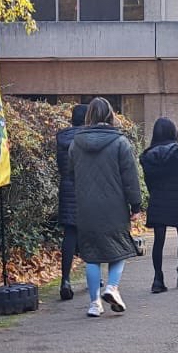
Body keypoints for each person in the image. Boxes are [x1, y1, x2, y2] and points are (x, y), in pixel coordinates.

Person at [70, 97, 142, 318]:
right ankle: (112, 287)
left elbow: (71, 174)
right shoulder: (120, 143)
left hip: (86, 206)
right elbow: (130, 177)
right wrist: (136, 204)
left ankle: (94, 304)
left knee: (91, 256)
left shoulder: (75, 143)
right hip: (114, 204)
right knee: (119, 248)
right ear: (111, 115)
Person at [139, 118, 178, 293]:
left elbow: (148, 182)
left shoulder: (148, 156)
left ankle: (158, 278)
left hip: (158, 199)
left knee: (159, 240)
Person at [54, 103, 89, 301]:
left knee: (70, 233)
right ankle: (92, 275)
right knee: (89, 232)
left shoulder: (62, 138)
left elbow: (61, 166)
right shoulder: (88, 138)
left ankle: (65, 279)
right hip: (86, 188)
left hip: (67, 187)